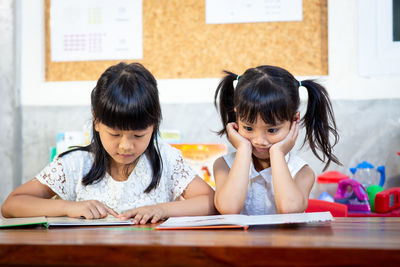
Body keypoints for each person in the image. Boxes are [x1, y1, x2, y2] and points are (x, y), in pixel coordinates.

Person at [1, 62, 216, 224]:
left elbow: (211, 202)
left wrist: (163, 209)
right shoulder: (76, 164)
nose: (126, 146)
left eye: (139, 135)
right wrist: (68, 207)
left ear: (154, 125)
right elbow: (12, 205)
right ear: (96, 121)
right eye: (114, 134)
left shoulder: (166, 159)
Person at [213, 65, 341, 215]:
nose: (259, 140)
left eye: (272, 130)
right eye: (248, 128)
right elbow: (229, 209)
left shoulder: (302, 172)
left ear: (294, 120)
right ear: (237, 117)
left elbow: (289, 209)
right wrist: (243, 148)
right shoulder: (223, 166)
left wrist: (277, 153)